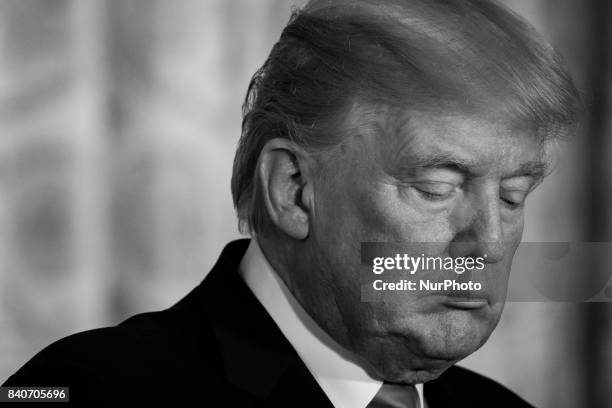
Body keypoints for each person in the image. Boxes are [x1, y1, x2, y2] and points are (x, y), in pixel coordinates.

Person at [2, 0, 580, 406]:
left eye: (512, 196)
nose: (491, 241)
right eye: (437, 188)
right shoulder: (81, 388)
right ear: (294, 190)